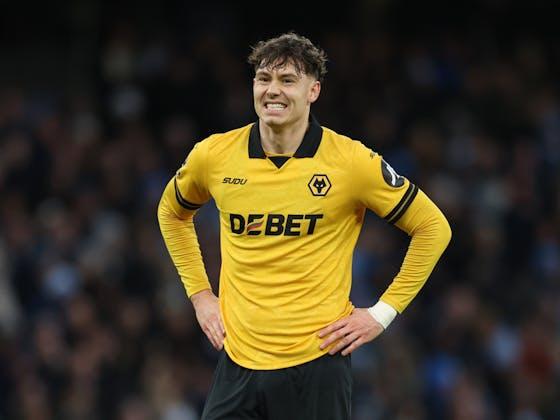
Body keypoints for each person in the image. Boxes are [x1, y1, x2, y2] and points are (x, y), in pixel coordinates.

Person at [158, 32, 451, 420]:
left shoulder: (350, 162)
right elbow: (171, 212)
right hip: (237, 361)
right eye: (263, 79)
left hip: (317, 363)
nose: (272, 90)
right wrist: (200, 296)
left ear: (313, 90)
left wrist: (382, 313)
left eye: (287, 80)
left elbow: (433, 227)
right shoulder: (214, 155)